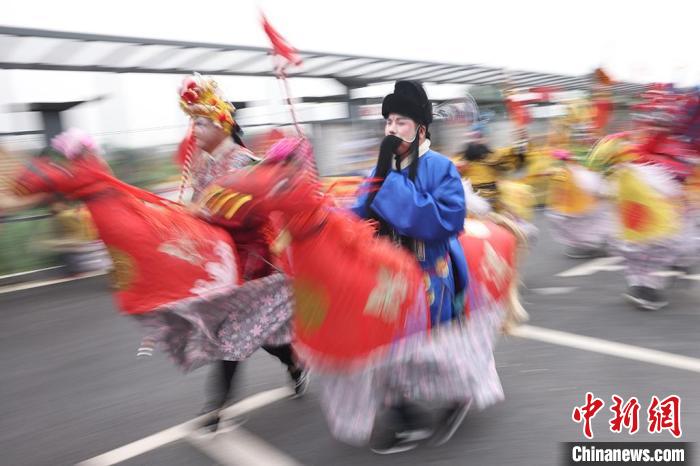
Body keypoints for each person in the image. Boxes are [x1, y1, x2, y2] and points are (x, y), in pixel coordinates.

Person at [178, 73, 307, 430]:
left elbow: (251, 211)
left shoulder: (245, 162)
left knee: (232, 333)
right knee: (259, 335)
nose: (197, 130)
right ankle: (295, 362)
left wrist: (204, 212)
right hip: (221, 264)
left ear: (223, 123)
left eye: (203, 122)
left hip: (252, 264)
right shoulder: (203, 166)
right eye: (194, 123)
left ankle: (215, 406)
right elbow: (196, 211)